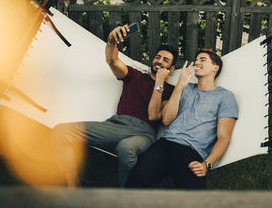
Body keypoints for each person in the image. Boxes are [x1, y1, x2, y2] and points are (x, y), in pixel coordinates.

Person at [51, 24, 178, 187]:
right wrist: (112, 41)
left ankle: (125, 195)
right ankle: (73, 186)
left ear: (172, 69)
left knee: (126, 148)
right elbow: (112, 61)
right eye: (157, 57)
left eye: (165, 60)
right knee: (62, 131)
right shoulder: (135, 76)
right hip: (115, 125)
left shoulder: (171, 91)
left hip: (143, 133)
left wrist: (160, 80)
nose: (159, 61)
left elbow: (155, 115)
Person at [126, 48, 238, 189]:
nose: (197, 62)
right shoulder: (185, 88)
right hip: (167, 144)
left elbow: (224, 137)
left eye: (202, 59)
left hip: (192, 152)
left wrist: (207, 164)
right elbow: (166, 120)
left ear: (215, 68)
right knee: (134, 182)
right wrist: (179, 86)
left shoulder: (225, 97)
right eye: (196, 60)